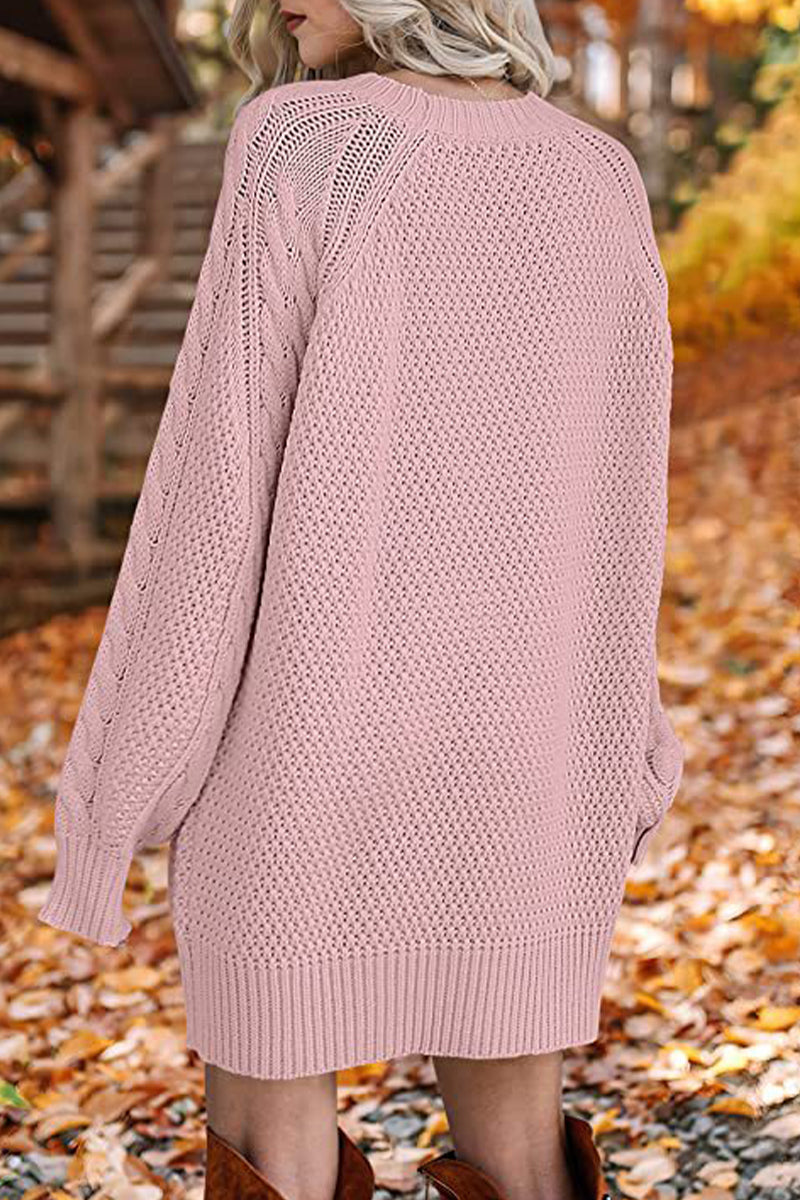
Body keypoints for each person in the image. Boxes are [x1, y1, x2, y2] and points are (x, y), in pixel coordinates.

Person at [37, 0, 686, 1197]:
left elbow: (214, 492)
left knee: (272, 1150)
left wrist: (120, 788)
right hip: (523, 753)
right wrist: (621, 746)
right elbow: (619, 507)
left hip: (299, 748)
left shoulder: (305, 140)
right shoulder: (598, 177)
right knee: (523, 1160)